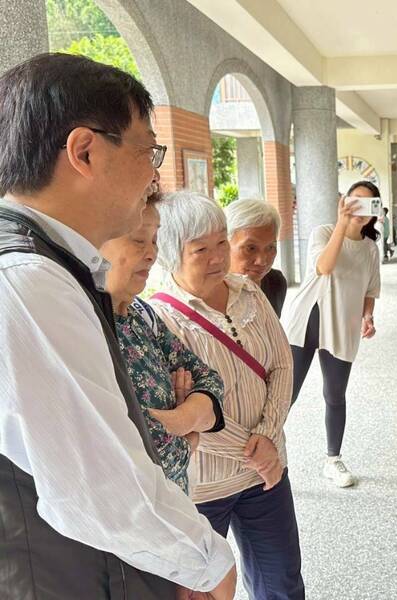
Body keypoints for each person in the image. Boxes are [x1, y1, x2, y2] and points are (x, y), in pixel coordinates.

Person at [0, 53, 235, 599]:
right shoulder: (27, 281)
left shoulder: (52, 268)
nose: (155, 173)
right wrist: (207, 564)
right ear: (84, 151)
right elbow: (98, 487)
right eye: (148, 151)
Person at [150, 191, 304, 600]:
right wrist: (255, 450)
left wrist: (268, 438)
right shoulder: (161, 317)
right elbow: (181, 413)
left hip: (265, 476)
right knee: (202, 591)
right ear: (171, 251)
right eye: (202, 249)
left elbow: (282, 365)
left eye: (222, 243)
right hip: (203, 486)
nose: (218, 257)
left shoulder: (250, 293)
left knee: (282, 584)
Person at [101, 189, 226, 494]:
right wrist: (187, 438)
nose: (152, 253)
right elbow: (144, 450)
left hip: (175, 509)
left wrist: (183, 418)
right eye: (139, 240)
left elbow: (210, 380)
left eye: (155, 240)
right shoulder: (84, 325)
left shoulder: (142, 314)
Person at [283, 180, 381, 488]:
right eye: (356, 201)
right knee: (286, 393)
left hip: (343, 324)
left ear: (375, 211)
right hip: (309, 319)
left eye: (369, 204)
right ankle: (267, 449)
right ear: (344, 201)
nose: (360, 210)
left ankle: (333, 459)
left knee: (335, 394)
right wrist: (341, 224)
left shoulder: (370, 248)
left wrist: (368, 315)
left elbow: (370, 289)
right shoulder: (324, 232)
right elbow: (323, 266)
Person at [224, 198, 288, 317]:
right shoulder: (211, 293)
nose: (262, 261)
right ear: (224, 243)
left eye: (270, 247)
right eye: (251, 248)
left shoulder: (275, 283)